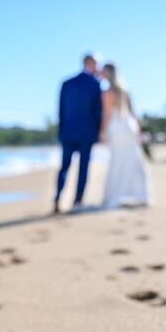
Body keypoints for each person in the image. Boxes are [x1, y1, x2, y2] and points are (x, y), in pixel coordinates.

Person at [54, 54, 102, 213]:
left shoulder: (67, 83)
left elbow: (60, 111)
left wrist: (61, 132)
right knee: (83, 168)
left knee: (65, 167)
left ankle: (58, 197)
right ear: (92, 63)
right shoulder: (95, 84)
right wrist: (98, 132)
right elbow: (98, 112)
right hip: (87, 133)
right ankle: (77, 201)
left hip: (67, 132)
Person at [99, 62, 151, 208]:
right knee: (133, 161)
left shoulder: (108, 91)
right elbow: (133, 113)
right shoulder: (125, 89)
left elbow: (107, 113)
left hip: (117, 126)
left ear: (108, 73)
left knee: (118, 161)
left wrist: (102, 131)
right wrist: (140, 130)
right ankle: (139, 195)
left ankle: (117, 195)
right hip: (129, 126)